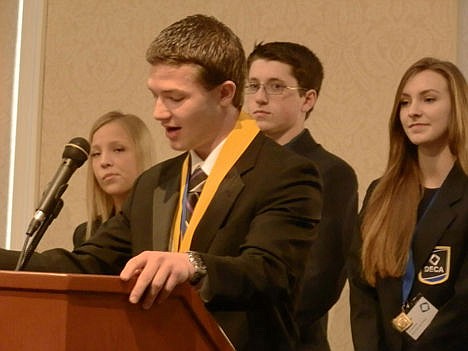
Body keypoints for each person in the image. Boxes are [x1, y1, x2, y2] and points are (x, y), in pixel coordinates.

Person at [0, 15, 322, 350]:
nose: (158, 112)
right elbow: (86, 263)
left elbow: (268, 272)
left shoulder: (285, 173)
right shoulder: (154, 183)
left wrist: (191, 265)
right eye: (155, 95)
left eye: (175, 98)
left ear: (225, 93)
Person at [348, 57, 468, 351]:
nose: (413, 111)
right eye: (404, 102)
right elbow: (363, 289)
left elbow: (463, 300)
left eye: (428, 99)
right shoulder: (382, 192)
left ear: (458, 108)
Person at [244, 42, 358, 351]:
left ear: (308, 99)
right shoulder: (235, 167)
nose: (259, 98)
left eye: (276, 86)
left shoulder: (331, 172)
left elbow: (321, 279)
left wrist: (243, 327)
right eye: (253, 85)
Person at [72, 111, 155, 248]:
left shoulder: (162, 228)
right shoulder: (86, 234)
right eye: (96, 154)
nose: (104, 162)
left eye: (118, 150)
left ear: (142, 153)